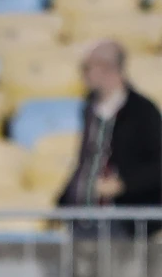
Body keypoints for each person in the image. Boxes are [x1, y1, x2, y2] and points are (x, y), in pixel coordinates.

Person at [59, 39, 162, 233]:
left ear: (108, 68)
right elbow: (87, 160)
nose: (83, 74)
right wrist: (64, 200)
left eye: (87, 67)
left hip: (126, 220)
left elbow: (157, 166)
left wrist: (123, 184)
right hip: (85, 215)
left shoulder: (142, 111)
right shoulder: (90, 109)